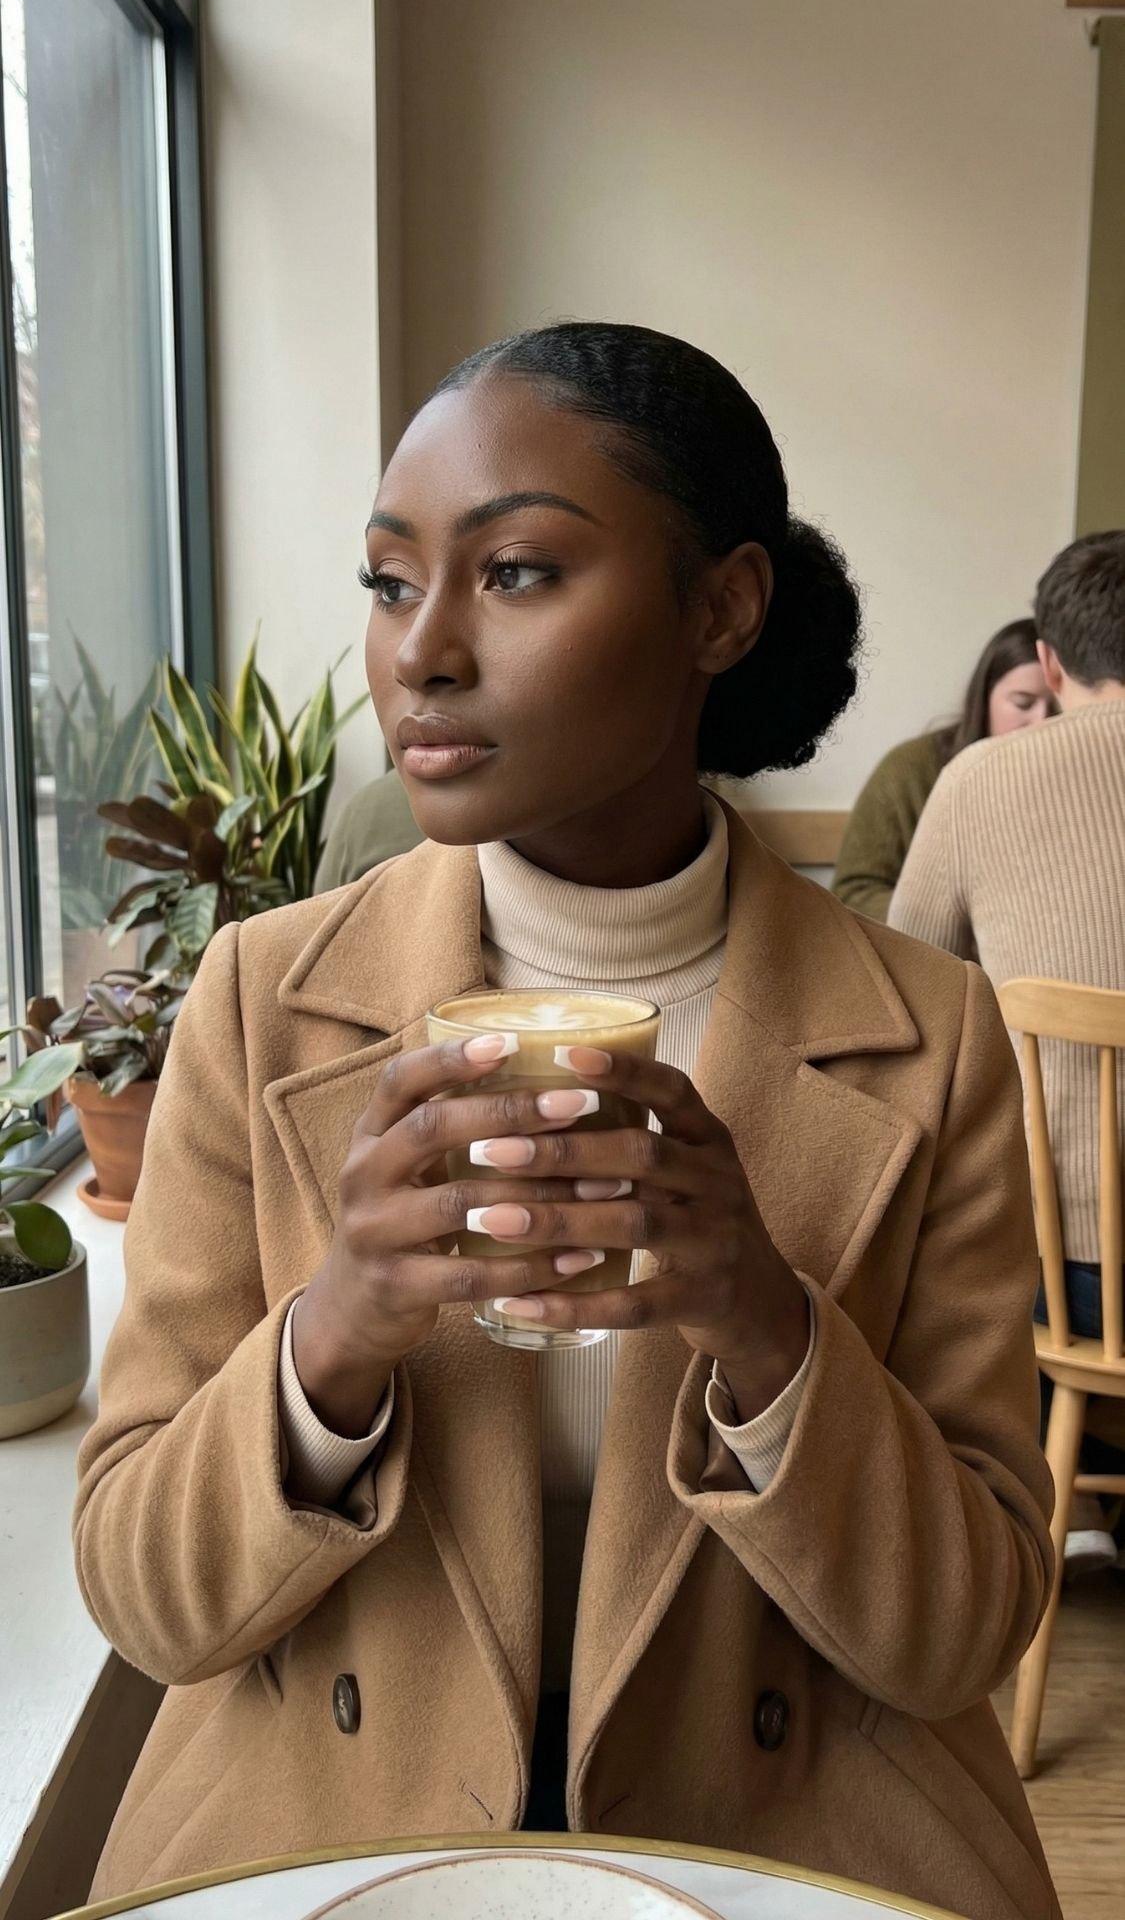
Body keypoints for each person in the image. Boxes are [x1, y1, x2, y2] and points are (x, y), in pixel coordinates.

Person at [74, 324, 1058, 1920]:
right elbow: (142, 1594)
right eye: (391, 583)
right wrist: (333, 1335)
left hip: (782, 1839)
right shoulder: (261, 1000)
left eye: (515, 572)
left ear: (721, 608)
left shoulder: (929, 1037)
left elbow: (962, 1633)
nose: (422, 652)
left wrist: (762, 1320)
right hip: (335, 1836)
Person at [889, 532, 1125, 1563]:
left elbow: (900, 989)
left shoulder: (982, 781)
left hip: (1070, 1281)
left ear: (1053, 661)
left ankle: (1033, 1524)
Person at [832, 620, 1051, 920]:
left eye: (1059, 707)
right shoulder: (911, 769)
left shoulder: (1083, 779)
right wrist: (962, 930)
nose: (1043, 722)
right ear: (985, 698)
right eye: (1023, 704)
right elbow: (854, 892)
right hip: (931, 959)